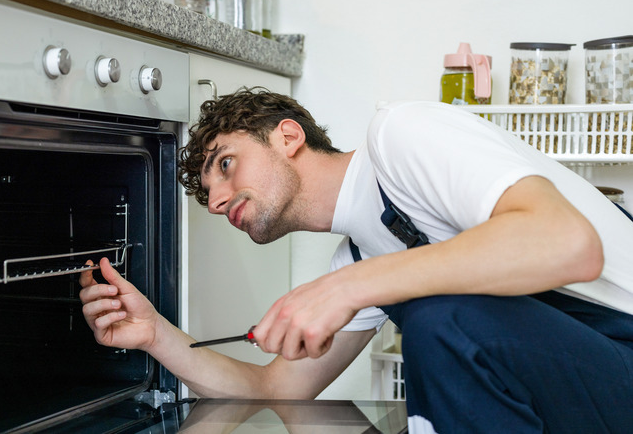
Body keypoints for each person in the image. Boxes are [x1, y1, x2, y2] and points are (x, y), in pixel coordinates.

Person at [80, 88, 633, 433]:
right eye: (209, 194)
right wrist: (155, 334)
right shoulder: (362, 252)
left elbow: (566, 243)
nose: (219, 199)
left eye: (226, 165)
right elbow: (277, 390)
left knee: (443, 320)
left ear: (288, 136)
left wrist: (352, 289)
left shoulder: (399, 135)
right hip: (591, 389)